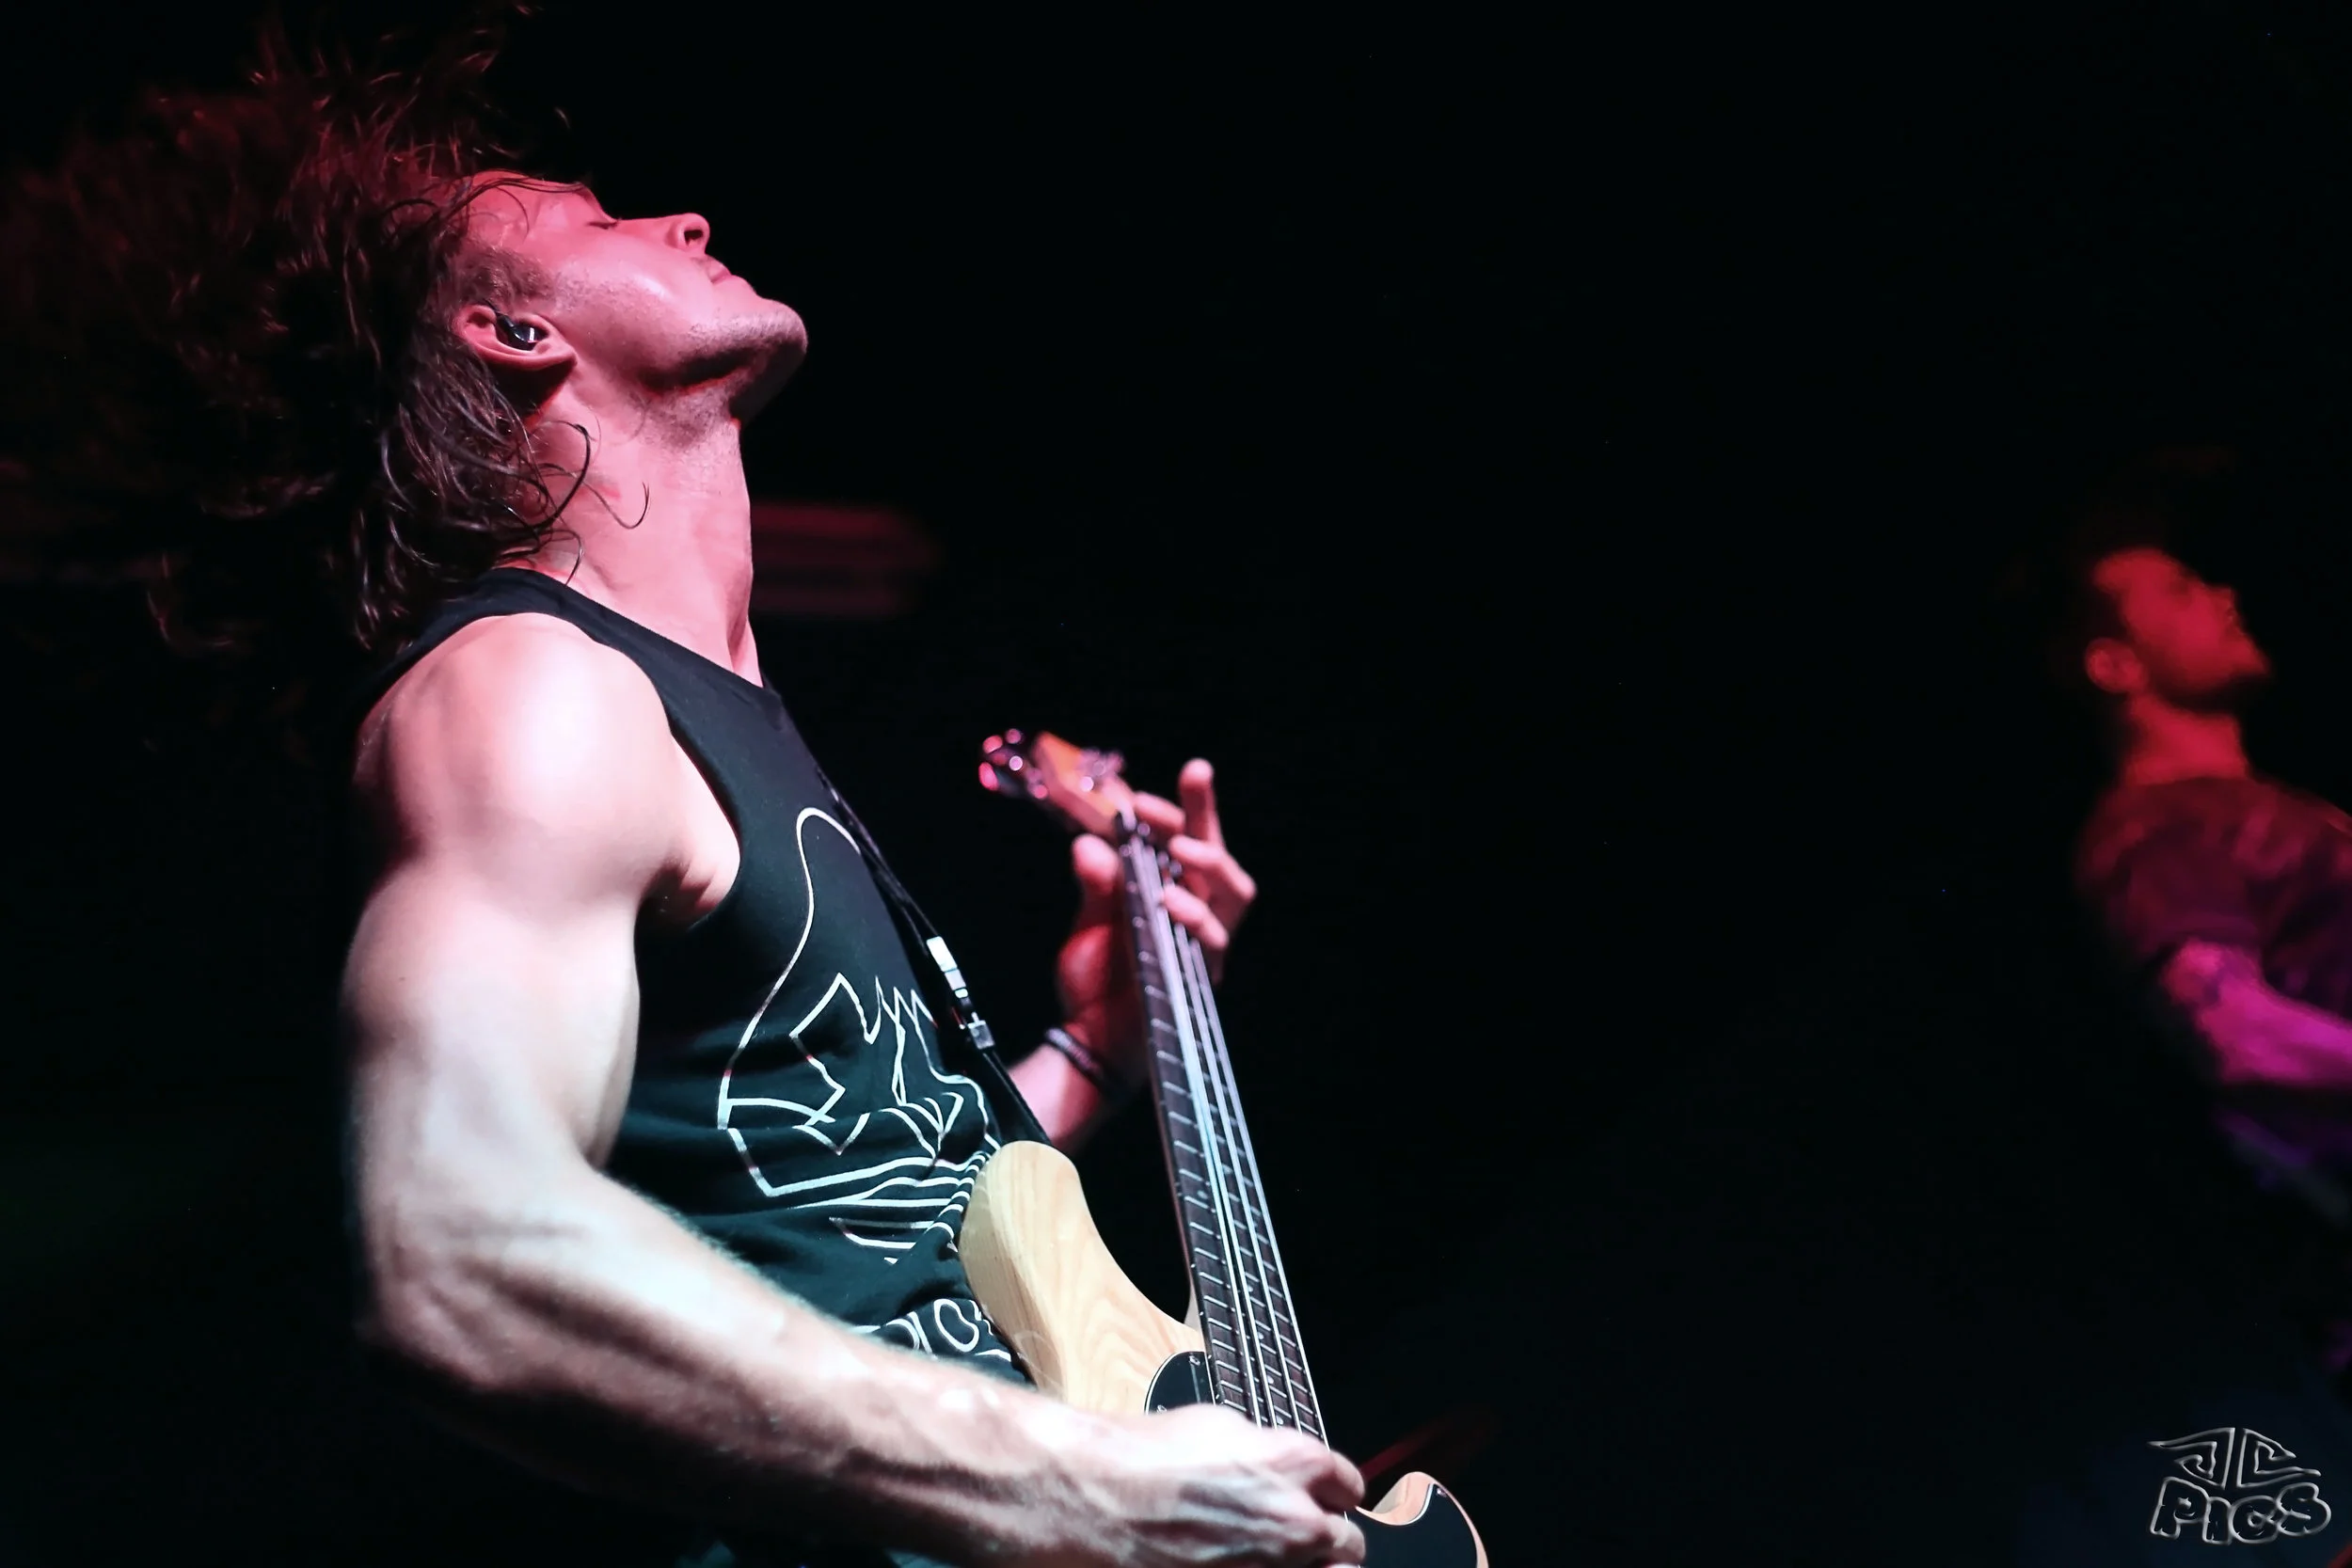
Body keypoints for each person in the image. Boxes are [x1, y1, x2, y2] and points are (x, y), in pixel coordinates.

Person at [0, 24, 1365, 1568]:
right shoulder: (531, 687)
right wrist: (1085, 1485)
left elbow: (868, 1207)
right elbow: (464, 1248)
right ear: (516, 331)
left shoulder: (721, 727)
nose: (688, 218)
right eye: (601, 220)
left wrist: (1097, 1046)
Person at [2062, 485, 2352, 1223]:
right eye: (2181, 589)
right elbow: (2237, 1037)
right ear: (2115, 666)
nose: (2224, 594)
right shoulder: (2151, 830)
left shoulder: (2263, 804)